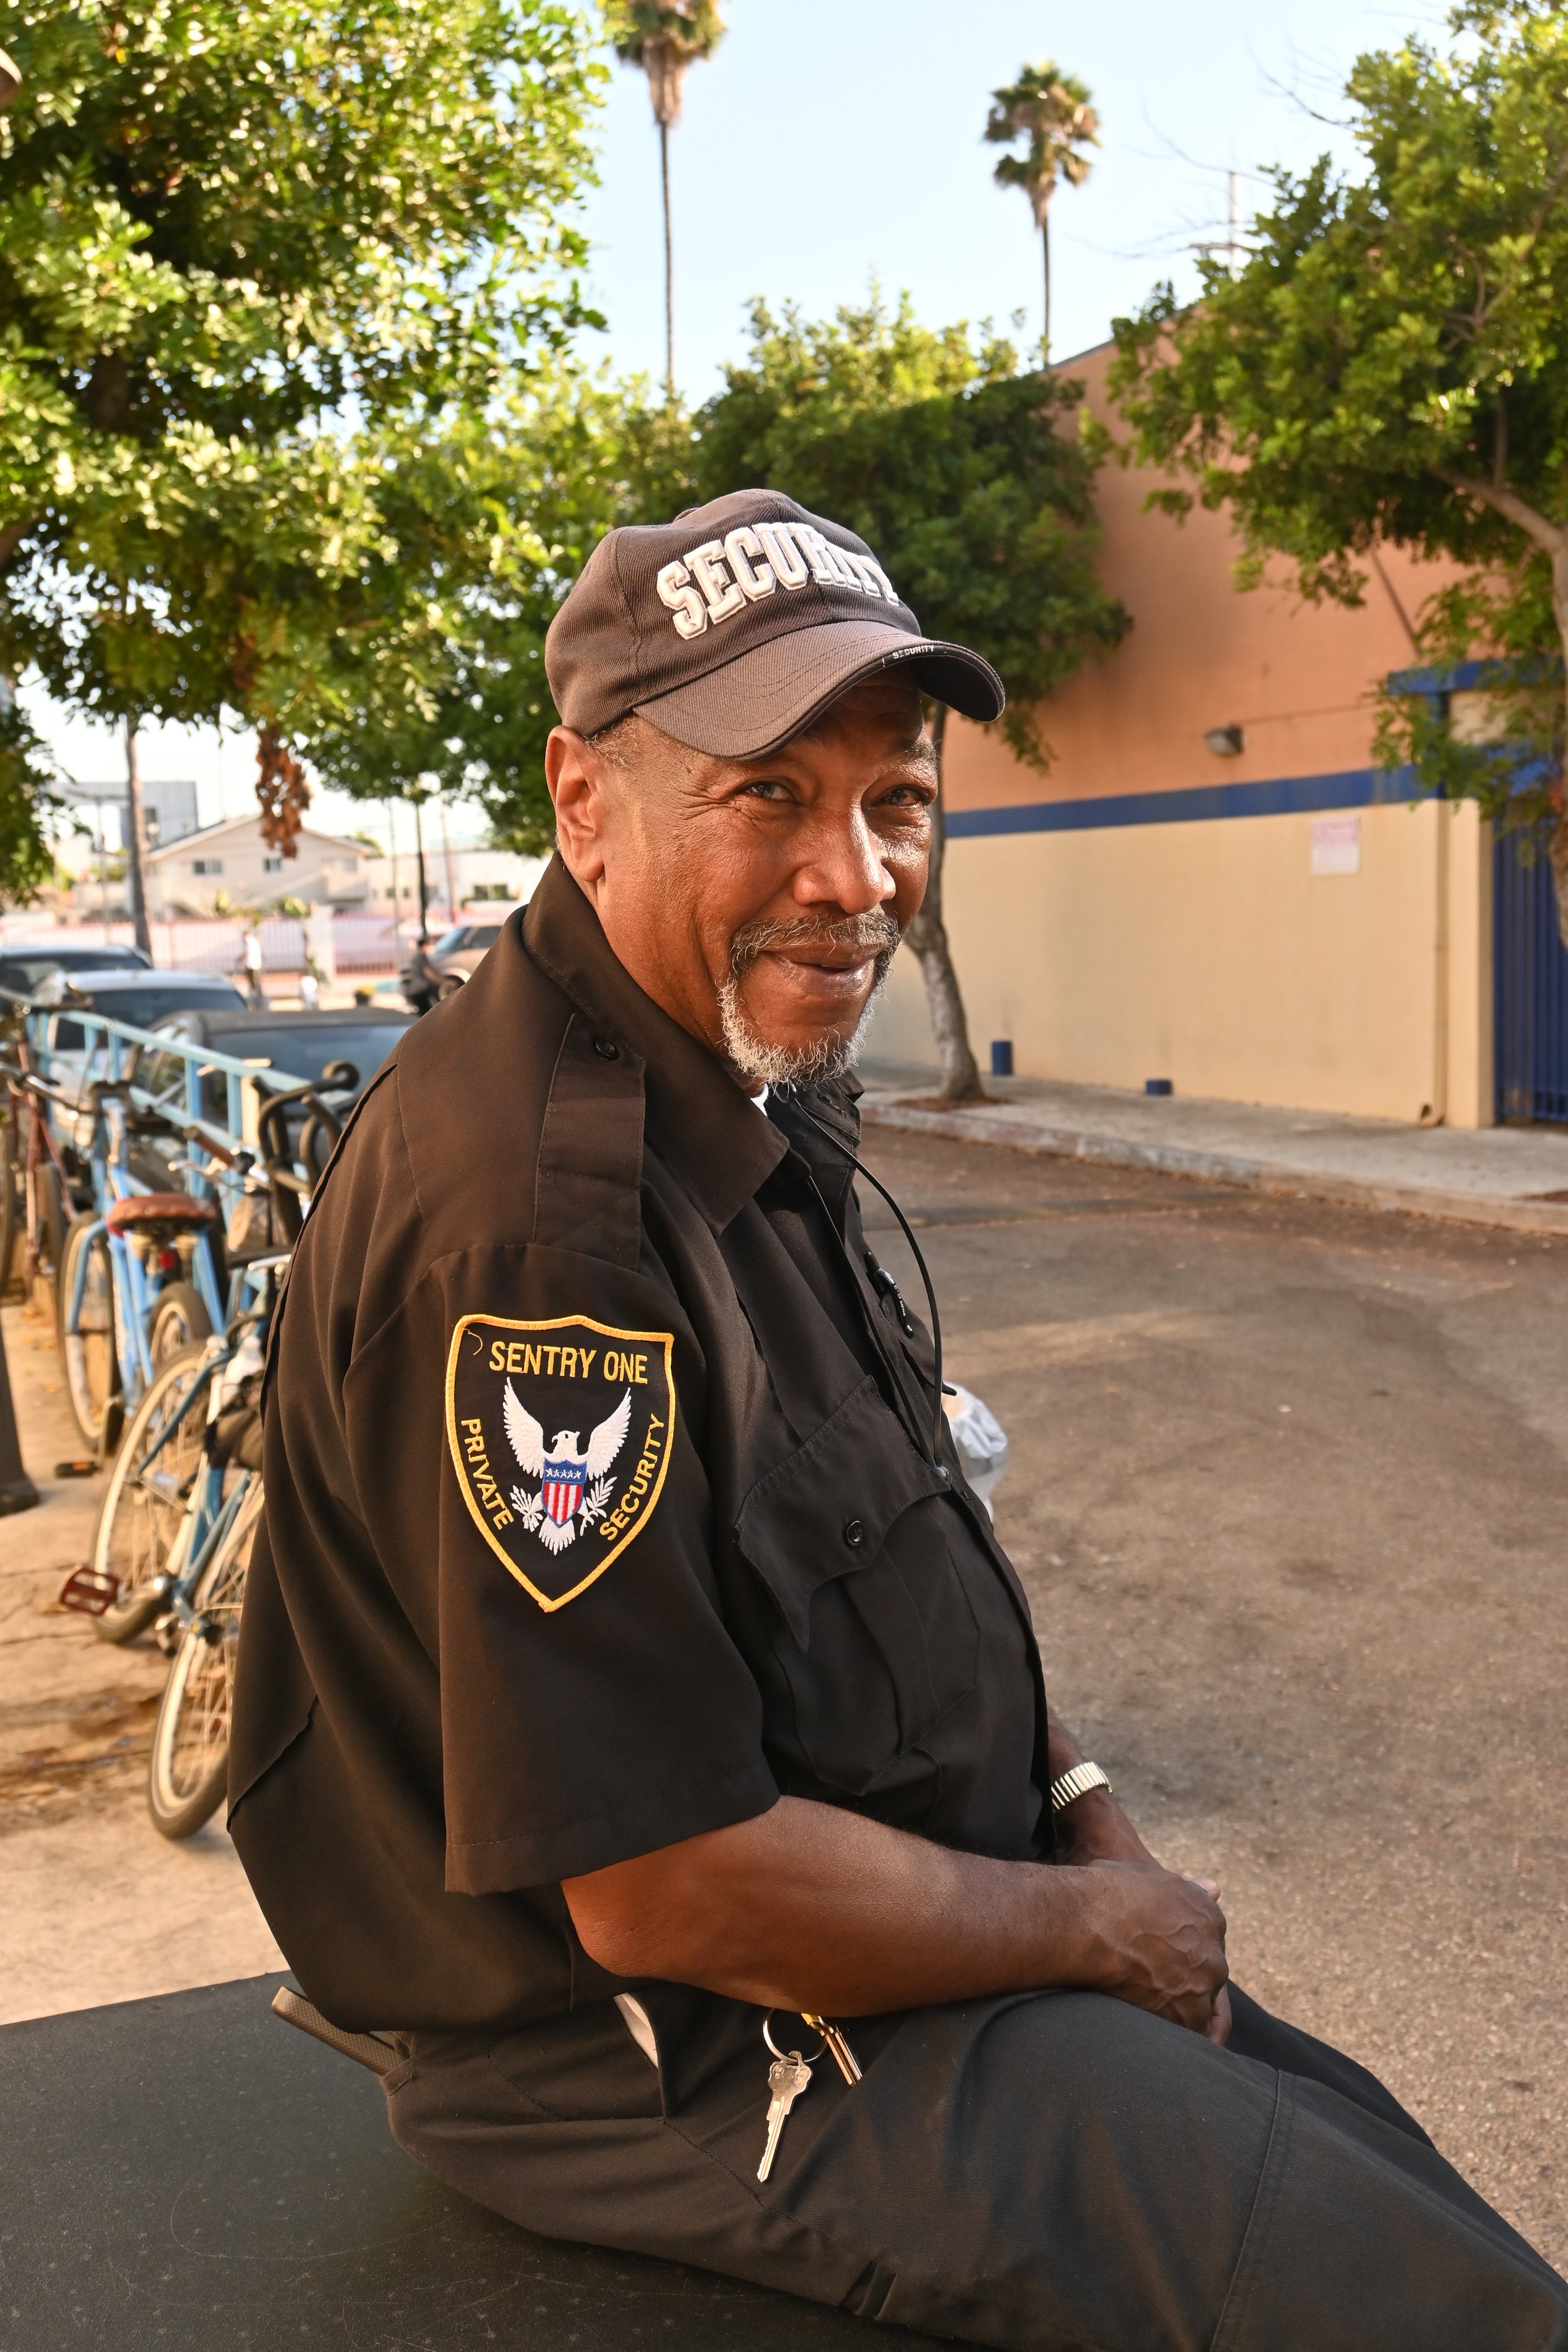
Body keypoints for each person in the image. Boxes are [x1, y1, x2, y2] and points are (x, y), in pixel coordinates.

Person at [230, 489, 1568, 2351]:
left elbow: (894, 1516)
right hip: (673, 2050)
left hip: (900, 1926)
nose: (854, 874)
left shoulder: (736, 1075)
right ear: (583, 798)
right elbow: (659, 1882)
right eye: (769, 792)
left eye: (898, 796)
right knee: (1418, 2308)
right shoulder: (548, 1242)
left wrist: (1078, 1804)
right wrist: (1098, 1930)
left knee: (1367, 2162)